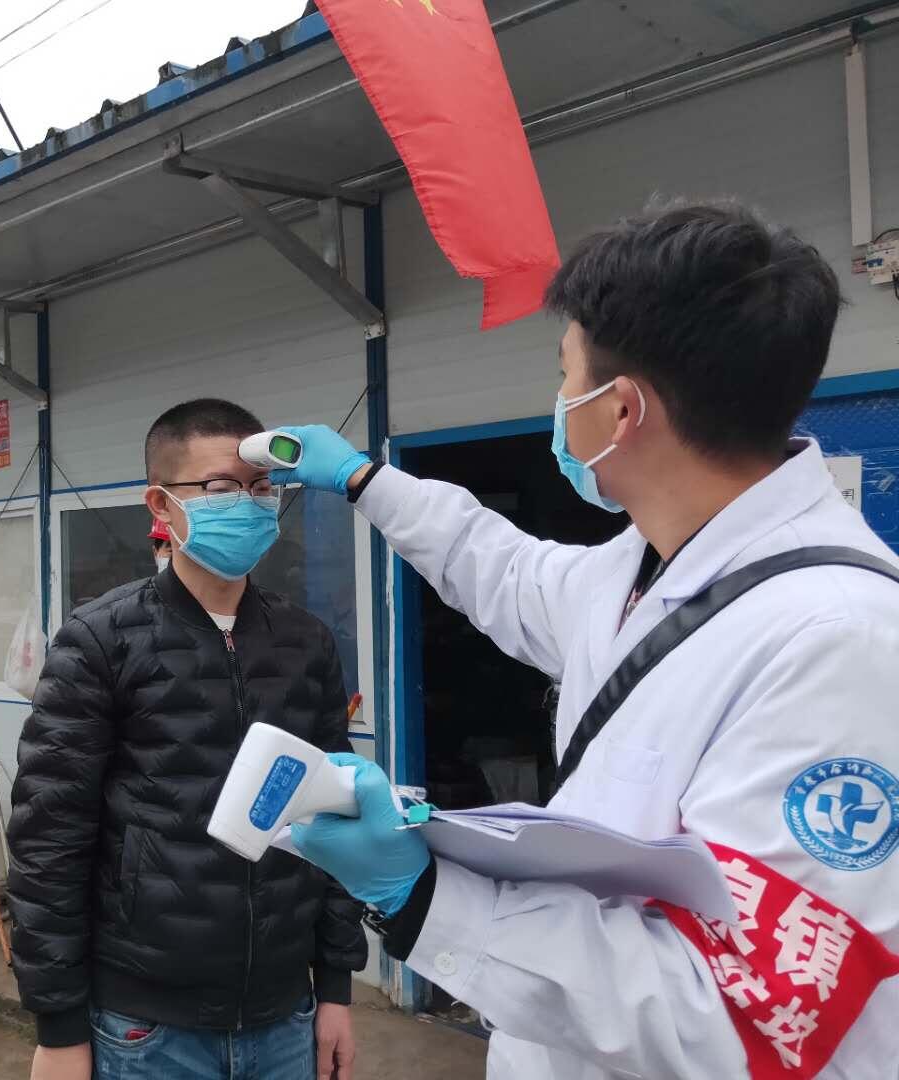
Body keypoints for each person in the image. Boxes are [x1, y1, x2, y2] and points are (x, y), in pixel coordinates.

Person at [271, 201, 899, 1078]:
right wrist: (365, 480)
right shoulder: (644, 569)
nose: (561, 403)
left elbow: (744, 1015)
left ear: (622, 410)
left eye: (567, 377)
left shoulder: (836, 640)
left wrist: (426, 895)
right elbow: (497, 565)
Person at [7, 399, 366, 1080]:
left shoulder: (305, 642)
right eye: (223, 488)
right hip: (146, 1027)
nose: (250, 504)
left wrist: (337, 989)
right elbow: (48, 843)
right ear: (163, 504)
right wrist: (58, 1029)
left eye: (261, 488)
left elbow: (332, 816)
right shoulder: (100, 640)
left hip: (285, 1014)